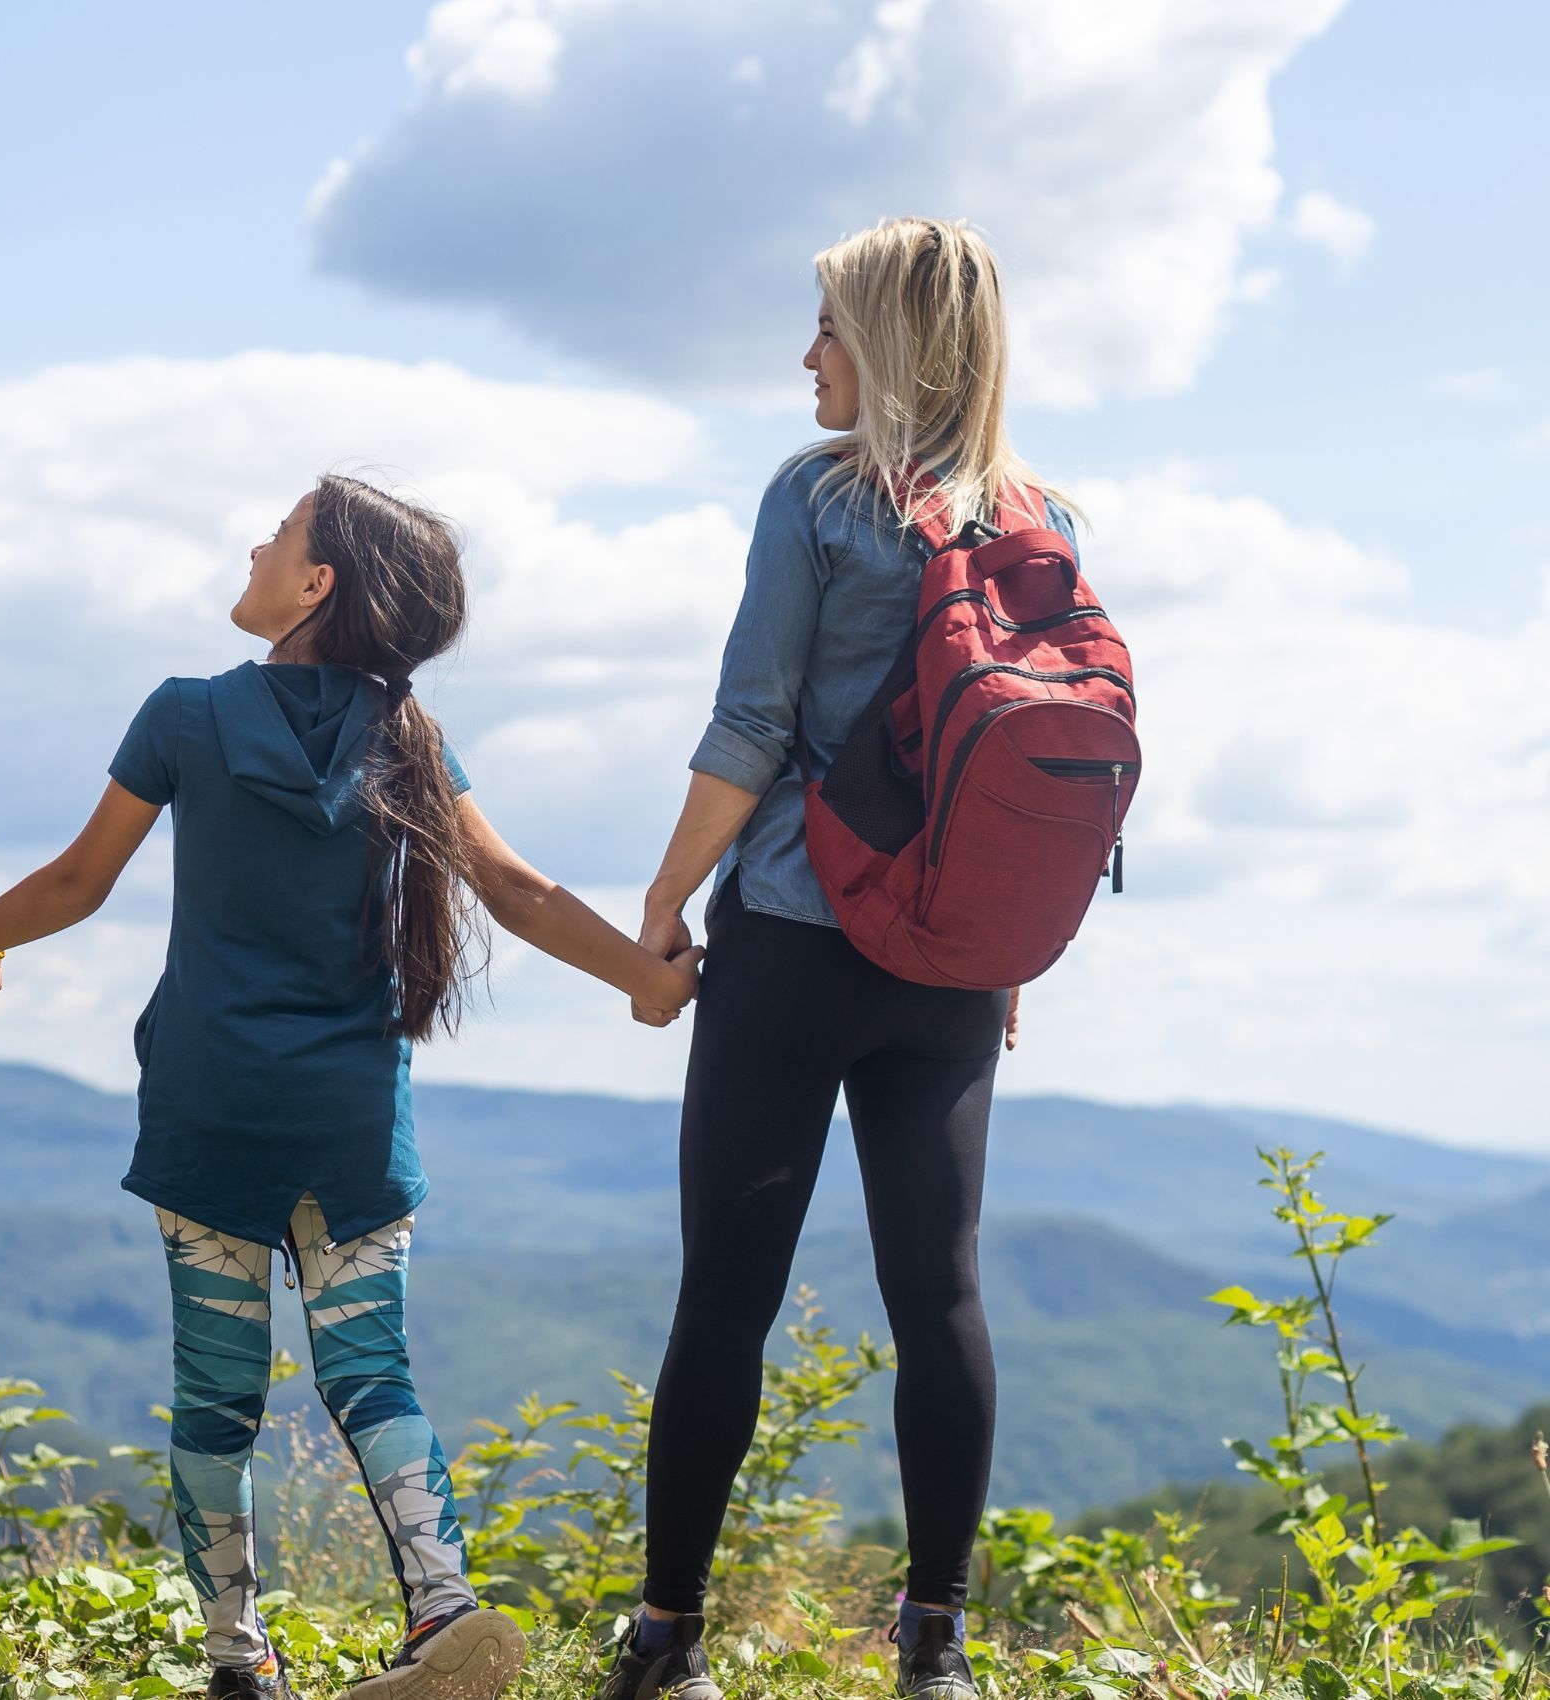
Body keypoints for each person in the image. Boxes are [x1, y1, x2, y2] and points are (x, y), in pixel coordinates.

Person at [0, 474, 705, 1700]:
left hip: (210, 1110)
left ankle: (236, 1660)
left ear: (317, 586)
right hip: (353, 1123)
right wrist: (644, 979)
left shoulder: (186, 713)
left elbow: (83, 880)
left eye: (279, 533)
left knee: (216, 1388)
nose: (254, 542)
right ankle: (444, 1606)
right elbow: (513, 887)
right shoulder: (407, 736)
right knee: (371, 1369)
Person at [594, 219, 1075, 1700]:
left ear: (886, 345)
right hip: (952, 968)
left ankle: (668, 1632)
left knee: (725, 1295)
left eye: (826, 327)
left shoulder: (817, 498)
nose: (807, 356)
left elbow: (752, 727)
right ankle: (935, 1642)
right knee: (940, 1295)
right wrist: (996, 956)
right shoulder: (1036, 512)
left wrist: (664, 906)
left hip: (798, 941)